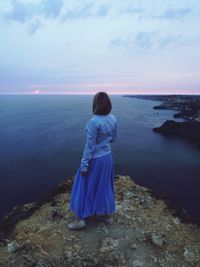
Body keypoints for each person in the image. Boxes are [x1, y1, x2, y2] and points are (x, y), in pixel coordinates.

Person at [68, 92, 117, 230]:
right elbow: (114, 138)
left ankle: (80, 219)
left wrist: (84, 165)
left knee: (83, 185)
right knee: (104, 186)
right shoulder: (113, 118)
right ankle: (105, 215)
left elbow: (89, 146)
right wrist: (104, 141)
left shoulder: (93, 121)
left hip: (95, 159)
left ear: (95, 104)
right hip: (108, 158)